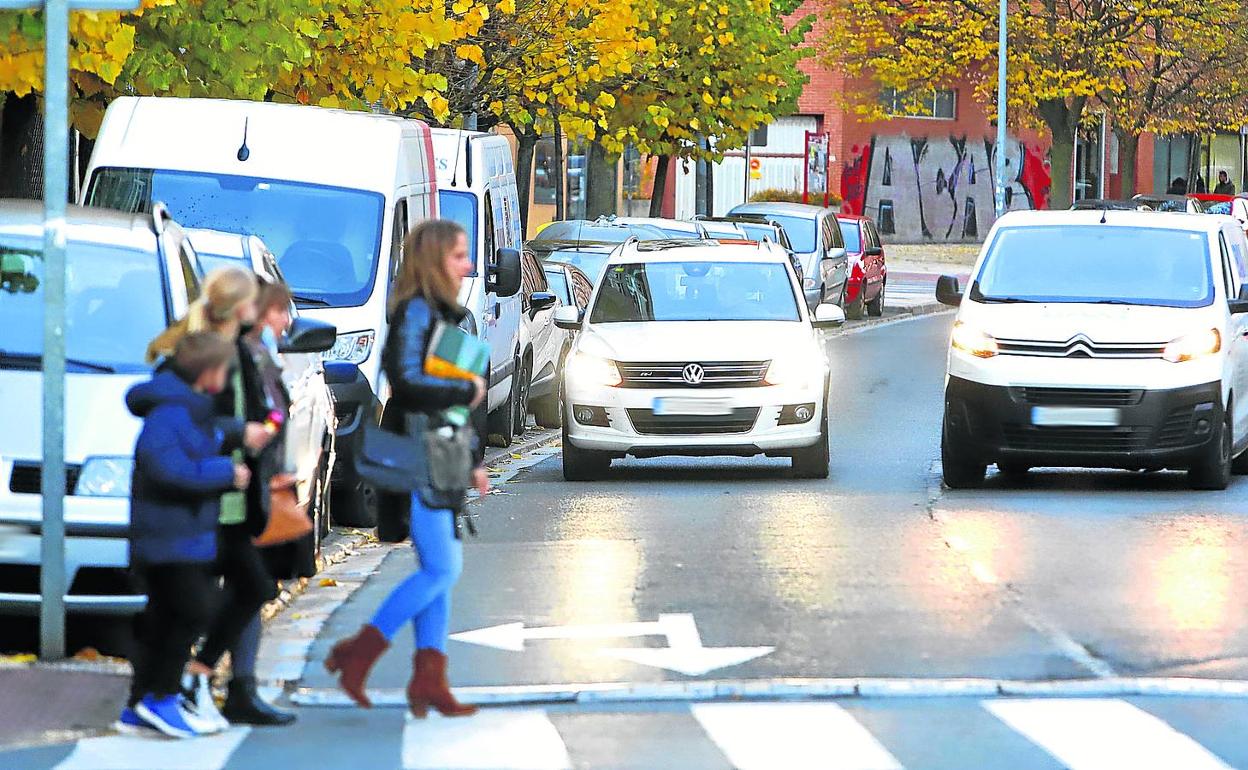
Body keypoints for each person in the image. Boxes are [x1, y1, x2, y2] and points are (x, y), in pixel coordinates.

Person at [324, 220, 489, 719]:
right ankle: (359, 654)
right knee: (443, 568)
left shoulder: (435, 313)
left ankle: (429, 680)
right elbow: (407, 379)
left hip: (438, 454)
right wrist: (463, 389)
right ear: (436, 260)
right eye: (459, 255)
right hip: (418, 456)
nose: (468, 265)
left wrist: (473, 461)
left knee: (436, 569)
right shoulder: (416, 310)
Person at [120, 332, 249, 739]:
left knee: (166, 617)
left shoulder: (186, 409)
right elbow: (169, 468)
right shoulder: (171, 413)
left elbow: (195, 446)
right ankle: (161, 696)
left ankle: (143, 704)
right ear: (207, 372)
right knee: (194, 611)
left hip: (179, 535)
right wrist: (226, 473)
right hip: (169, 538)